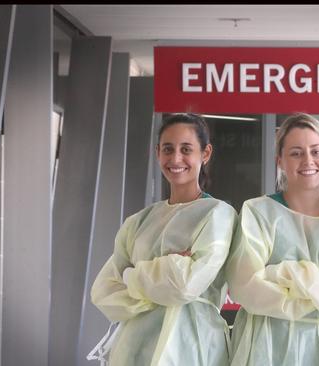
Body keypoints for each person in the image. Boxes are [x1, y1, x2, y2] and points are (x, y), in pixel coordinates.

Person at [225, 113, 319, 366]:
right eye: (296, 153)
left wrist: (277, 273)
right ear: (280, 161)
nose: (308, 160)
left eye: (316, 151)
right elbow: (247, 287)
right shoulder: (258, 212)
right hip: (267, 344)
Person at [90, 113, 237, 366]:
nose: (176, 158)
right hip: (134, 350)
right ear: (158, 152)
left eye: (186, 149)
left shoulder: (218, 214)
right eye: (168, 149)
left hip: (194, 348)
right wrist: (167, 267)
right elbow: (104, 292)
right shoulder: (138, 222)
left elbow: (184, 284)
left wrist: (130, 275)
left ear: (205, 153)